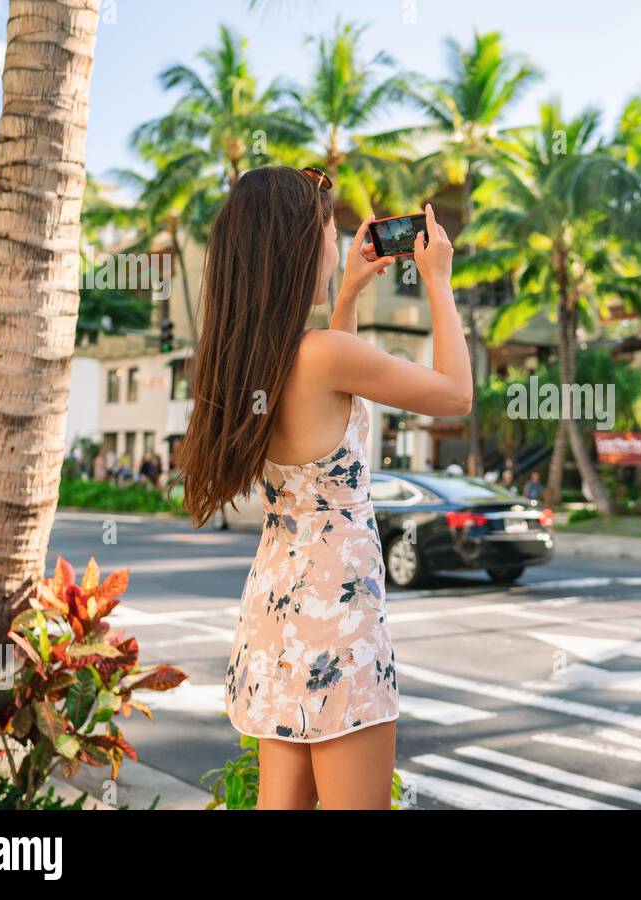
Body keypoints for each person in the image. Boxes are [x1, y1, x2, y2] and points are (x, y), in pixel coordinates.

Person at [176, 167, 469, 809]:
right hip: (337, 625)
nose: (335, 247)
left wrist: (349, 298)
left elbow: (329, 405)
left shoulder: (253, 360)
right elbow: (456, 393)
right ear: (295, 250)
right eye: (324, 234)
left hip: (278, 616)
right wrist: (439, 281)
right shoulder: (322, 356)